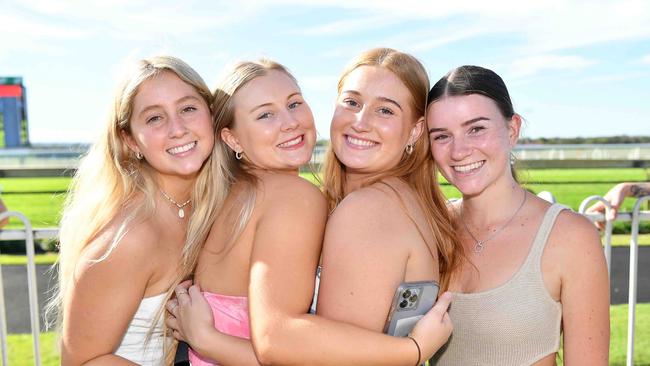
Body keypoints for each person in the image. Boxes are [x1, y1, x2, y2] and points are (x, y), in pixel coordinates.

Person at [166, 57, 453, 366]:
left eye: (294, 104)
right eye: (351, 102)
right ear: (232, 138)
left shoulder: (361, 207)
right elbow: (281, 340)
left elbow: (279, 340)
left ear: (415, 130)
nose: (361, 121)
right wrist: (413, 350)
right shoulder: (295, 196)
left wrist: (207, 340)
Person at [47, 56, 229, 365]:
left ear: (211, 115)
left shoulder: (212, 206)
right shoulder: (129, 236)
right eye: (155, 118)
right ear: (130, 139)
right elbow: (81, 361)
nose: (177, 129)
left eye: (187, 108)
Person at [426, 65, 610, 365]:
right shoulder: (431, 229)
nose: (458, 151)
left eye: (476, 128)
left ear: (512, 130)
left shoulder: (570, 237)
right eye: (442, 136)